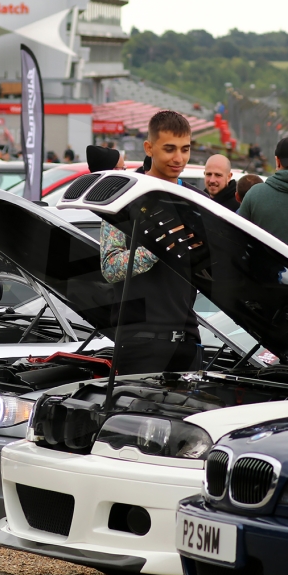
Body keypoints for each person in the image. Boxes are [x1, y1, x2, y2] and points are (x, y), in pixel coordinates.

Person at [100, 110, 202, 376]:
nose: (178, 158)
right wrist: (160, 245)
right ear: (149, 148)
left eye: (185, 149)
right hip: (139, 343)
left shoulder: (197, 202)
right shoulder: (122, 198)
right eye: (169, 149)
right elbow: (110, 267)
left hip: (188, 340)